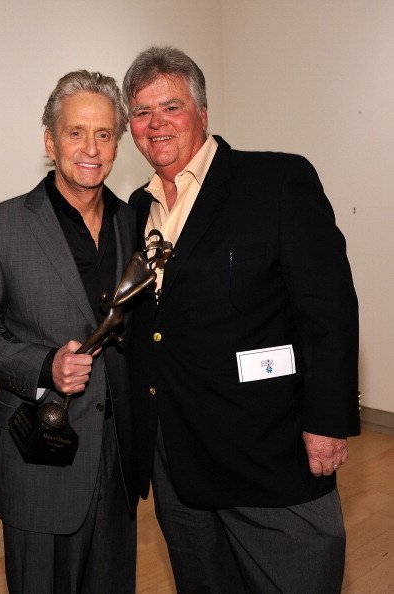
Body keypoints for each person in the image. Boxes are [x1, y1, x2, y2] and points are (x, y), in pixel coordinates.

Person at [123, 46, 360, 593]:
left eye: (171, 106)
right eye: (140, 111)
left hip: (266, 451)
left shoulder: (276, 180)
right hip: (175, 455)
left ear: (202, 114)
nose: (155, 123)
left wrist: (326, 422)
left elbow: (328, 309)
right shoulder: (136, 210)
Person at [0, 70, 138, 594]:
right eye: (76, 133)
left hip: (120, 459)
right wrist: (44, 365)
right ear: (50, 141)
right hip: (40, 455)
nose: (91, 149)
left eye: (104, 134)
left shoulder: (136, 224)